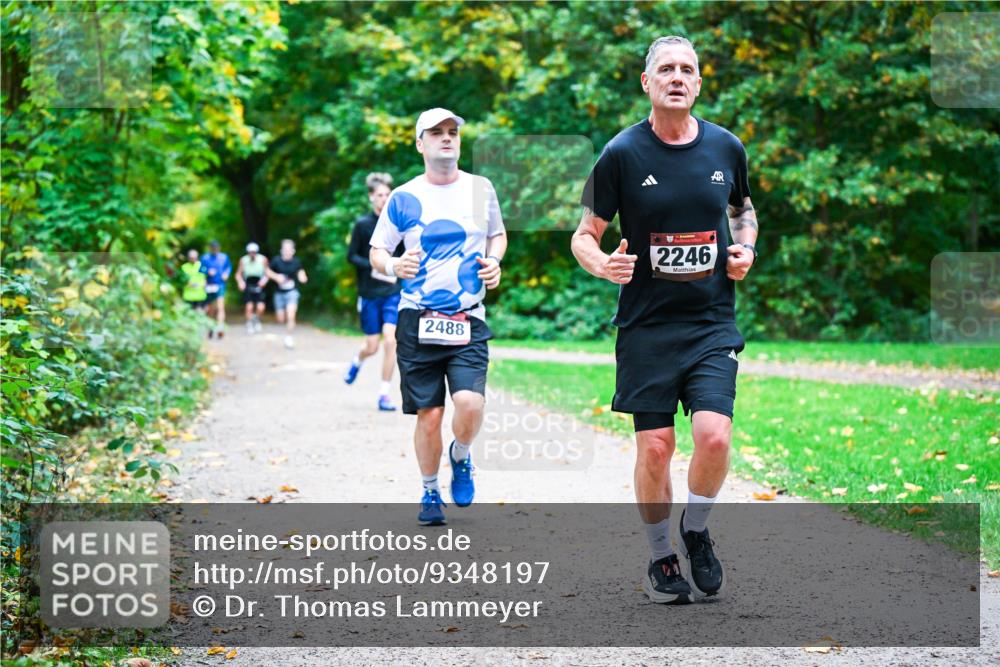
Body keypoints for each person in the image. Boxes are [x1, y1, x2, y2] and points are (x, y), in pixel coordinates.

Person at [572, 36, 758, 604]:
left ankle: (696, 530)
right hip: (647, 327)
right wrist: (604, 265)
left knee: (714, 436)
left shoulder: (726, 148)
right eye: (666, 70)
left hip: (709, 323)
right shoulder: (622, 154)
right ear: (647, 83)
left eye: (688, 70)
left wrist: (745, 249)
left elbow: (743, 211)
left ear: (699, 84)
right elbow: (584, 234)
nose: (678, 77)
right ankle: (660, 556)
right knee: (655, 448)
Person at [369, 108, 507, 526]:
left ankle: (461, 455)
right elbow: (379, 251)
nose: (447, 138)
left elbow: (497, 235)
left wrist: (495, 261)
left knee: (469, 403)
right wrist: (393, 267)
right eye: (436, 133)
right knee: (429, 415)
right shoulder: (403, 197)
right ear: (420, 143)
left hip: (468, 317)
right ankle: (430, 491)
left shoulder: (481, 190)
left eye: (453, 132)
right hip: (417, 319)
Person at [344, 172, 403, 412]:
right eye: (380, 195)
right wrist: (373, 264)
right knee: (372, 346)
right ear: (371, 197)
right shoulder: (362, 225)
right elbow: (351, 256)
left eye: (388, 195)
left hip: (391, 291)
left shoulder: (396, 224)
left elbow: (404, 251)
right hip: (369, 294)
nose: (384, 199)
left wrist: (396, 265)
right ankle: (358, 360)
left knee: (391, 341)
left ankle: (384, 394)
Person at [267, 239, 308, 349]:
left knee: (291, 315)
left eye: (289, 249)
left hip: (292, 292)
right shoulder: (276, 260)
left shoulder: (296, 262)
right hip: (279, 293)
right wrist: (276, 277)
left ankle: (289, 337)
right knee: (281, 319)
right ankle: (286, 329)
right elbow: (267, 271)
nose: (287, 251)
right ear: (281, 250)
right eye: (285, 249)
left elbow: (300, 271)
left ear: (293, 251)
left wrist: (302, 277)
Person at [201, 240, 232, 339]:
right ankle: (210, 327)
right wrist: (207, 271)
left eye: (216, 248)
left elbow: (229, 267)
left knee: (220, 307)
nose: (215, 250)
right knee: (210, 309)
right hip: (209, 285)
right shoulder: (205, 258)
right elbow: (200, 269)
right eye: (213, 248)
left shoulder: (224, 257)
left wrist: (226, 274)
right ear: (210, 248)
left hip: (220, 284)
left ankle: (220, 327)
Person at [236, 242, 269, 334]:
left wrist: (264, 280)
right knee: (249, 306)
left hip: (259, 284)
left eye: (254, 252)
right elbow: (238, 274)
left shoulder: (263, 259)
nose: (252, 254)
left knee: (260, 307)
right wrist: (240, 282)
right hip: (248, 283)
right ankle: (249, 323)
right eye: (250, 252)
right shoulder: (243, 260)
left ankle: (256, 319)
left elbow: (267, 273)